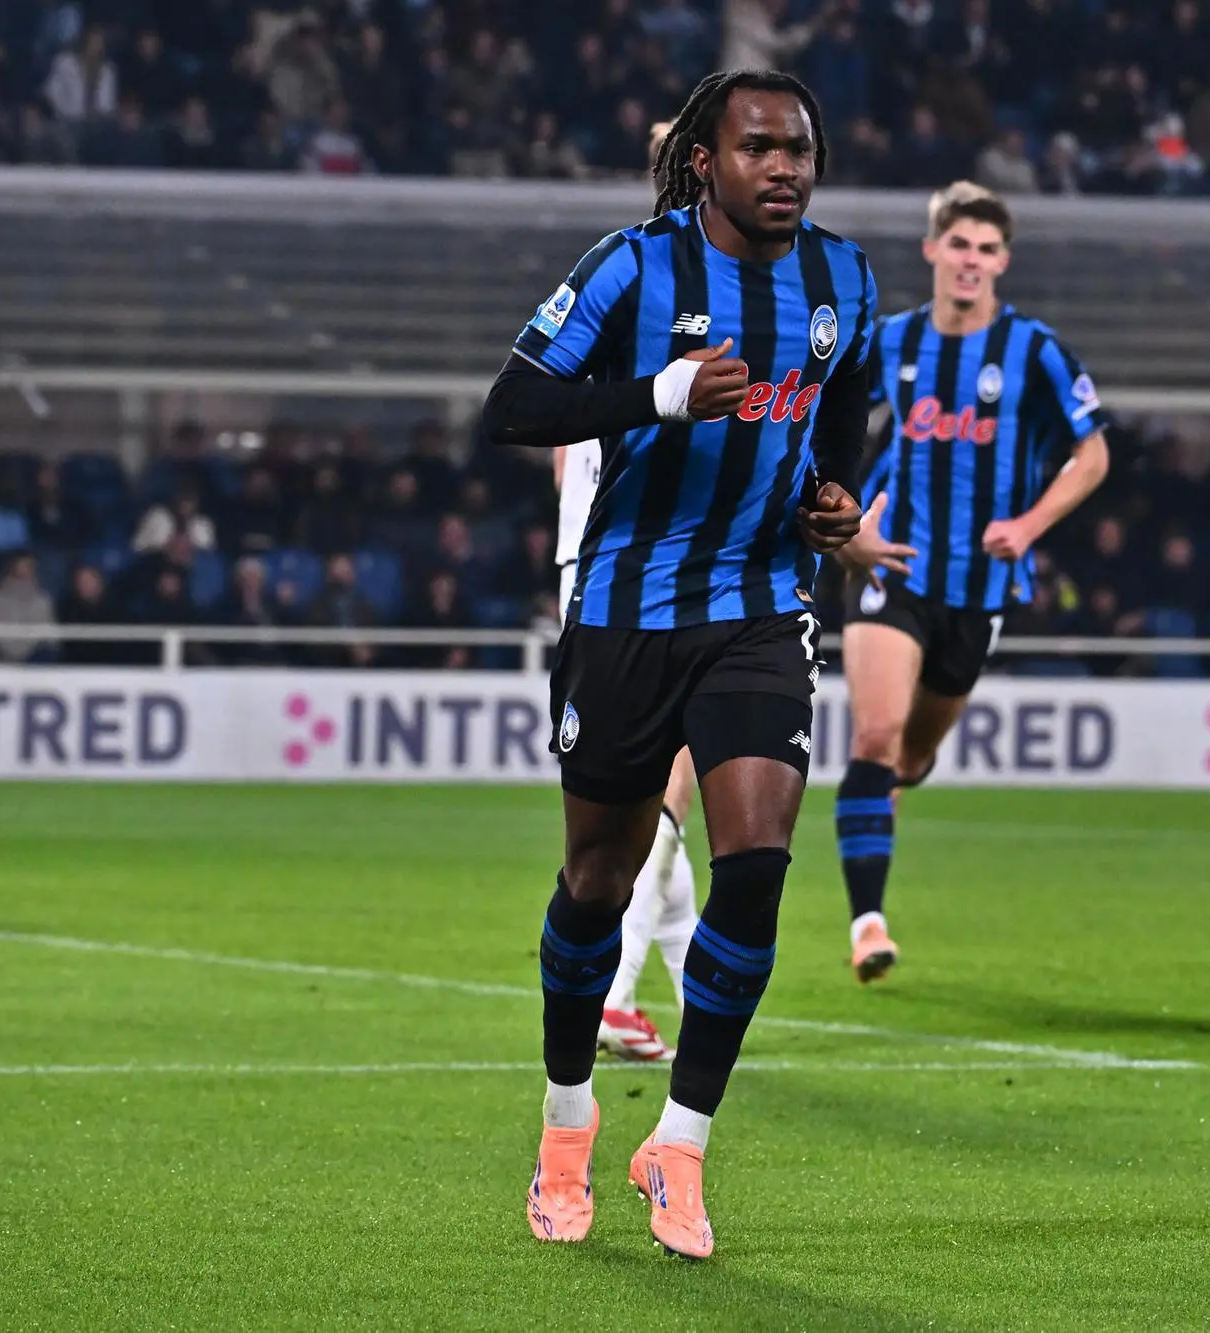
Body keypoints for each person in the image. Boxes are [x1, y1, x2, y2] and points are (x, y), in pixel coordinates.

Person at [481, 69, 875, 1261]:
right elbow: (512, 406)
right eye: (759, 148)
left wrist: (830, 494)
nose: (787, 168)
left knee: (753, 867)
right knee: (596, 884)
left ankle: (682, 1143)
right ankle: (566, 1124)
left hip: (758, 604)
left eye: (800, 147)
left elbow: (849, 390)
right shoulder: (630, 268)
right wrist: (655, 394)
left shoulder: (842, 276)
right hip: (624, 609)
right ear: (704, 159)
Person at [832, 182, 1110, 983]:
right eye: (958, 244)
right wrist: (847, 519)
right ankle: (867, 921)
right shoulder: (889, 342)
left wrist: (1028, 527)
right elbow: (823, 426)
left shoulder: (1035, 351)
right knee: (875, 739)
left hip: (980, 583)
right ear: (932, 251)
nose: (971, 261)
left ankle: (884, 802)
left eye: (987, 249)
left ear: (1002, 262)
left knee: (911, 758)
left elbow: (1091, 454)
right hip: (895, 564)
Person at [550, 119, 700, 1066]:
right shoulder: (660, 291)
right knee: (665, 798)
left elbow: (561, 436)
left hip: (593, 561)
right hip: (648, 573)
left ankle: (686, 986)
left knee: (657, 800)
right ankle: (611, 992)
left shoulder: (621, 285)